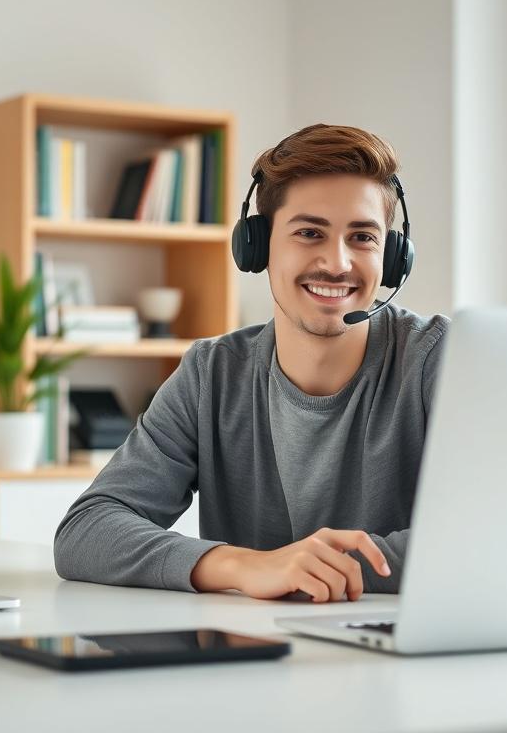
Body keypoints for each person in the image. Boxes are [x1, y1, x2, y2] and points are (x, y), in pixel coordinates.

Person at [54, 124, 449, 603]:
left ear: (392, 256)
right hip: (254, 641)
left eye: (363, 237)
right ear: (257, 247)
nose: (337, 263)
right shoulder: (212, 374)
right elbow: (87, 530)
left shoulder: (440, 360)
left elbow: (494, 533)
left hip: (405, 642)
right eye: (309, 233)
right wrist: (246, 565)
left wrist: (313, 568)